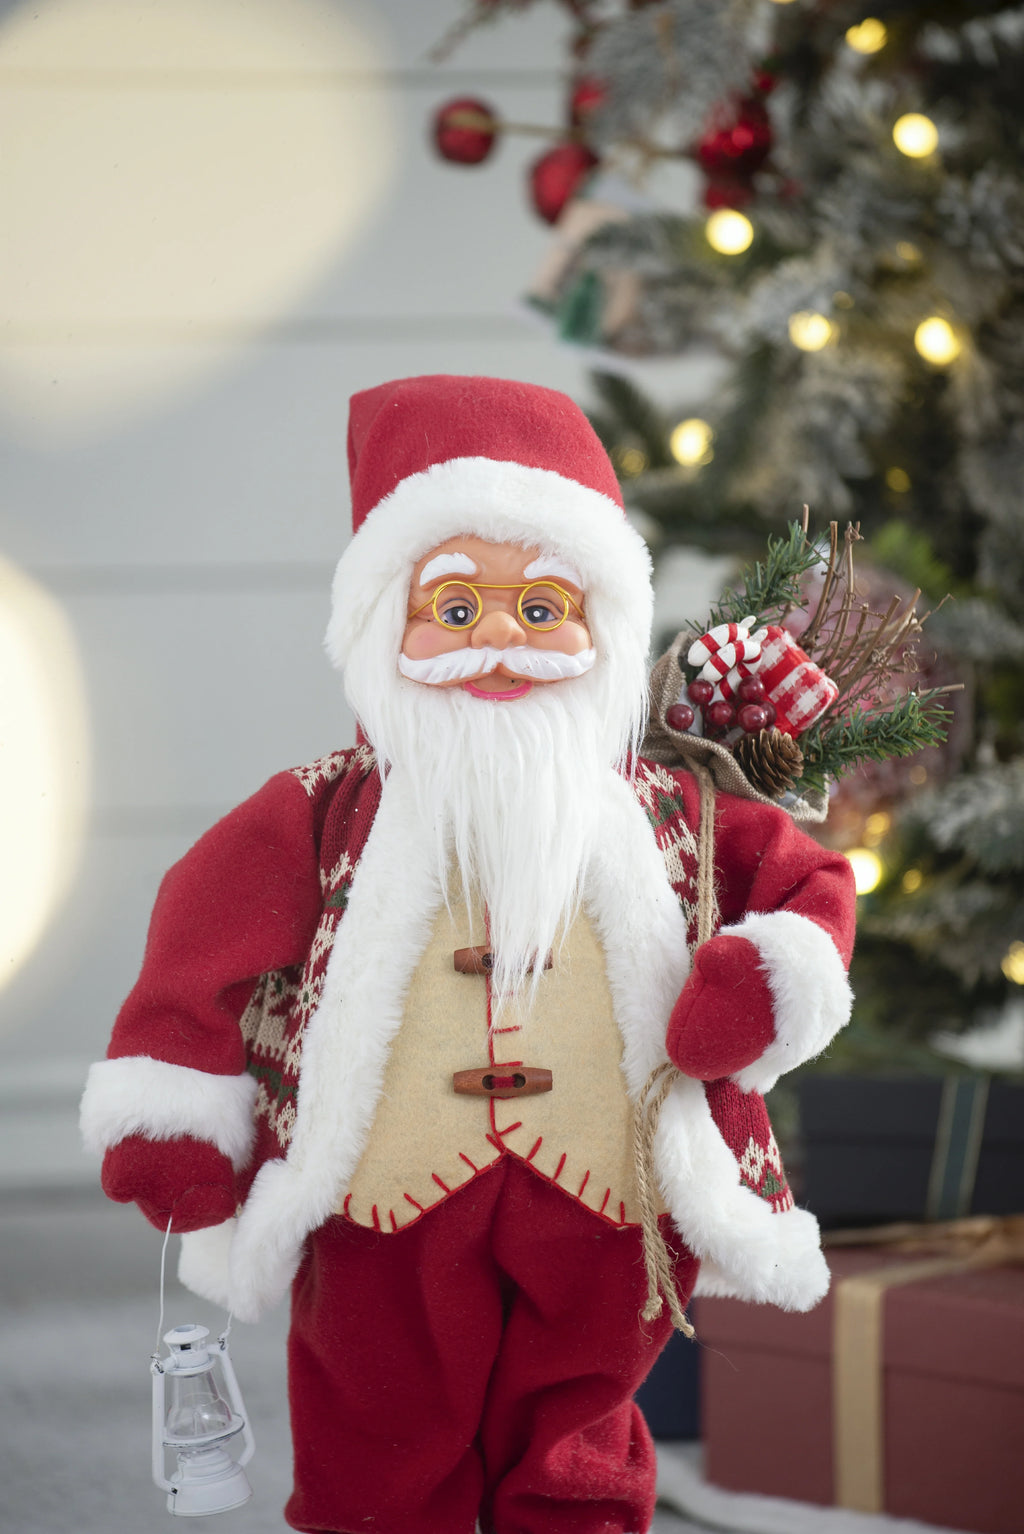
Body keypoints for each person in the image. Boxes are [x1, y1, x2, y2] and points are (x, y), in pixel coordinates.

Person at [81, 374, 856, 1534]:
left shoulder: (669, 810)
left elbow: (808, 884)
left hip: (607, 1199)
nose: (500, 636)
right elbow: (201, 936)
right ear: (383, 623)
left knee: (579, 1449)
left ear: (602, 628)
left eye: (543, 609)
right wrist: (176, 1118)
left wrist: (763, 981)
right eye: (454, 609)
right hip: (382, 1206)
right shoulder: (319, 811)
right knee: (378, 1442)